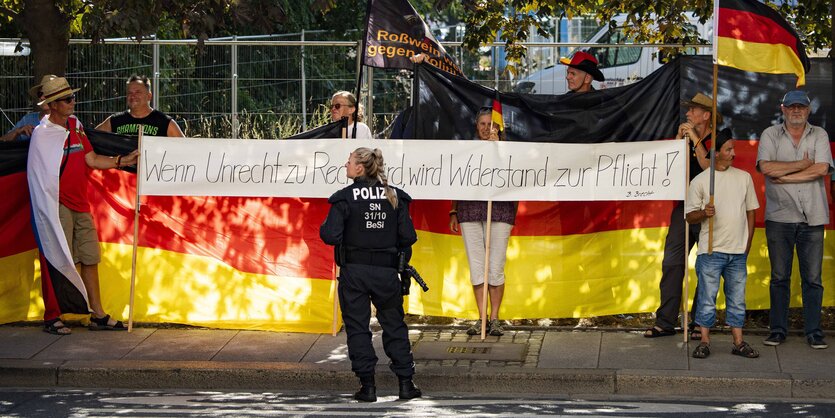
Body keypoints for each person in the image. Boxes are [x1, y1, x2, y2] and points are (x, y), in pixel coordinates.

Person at [27, 77, 139, 335]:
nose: (73, 102)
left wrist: (122, 160)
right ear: (52, 105)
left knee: (89, 258)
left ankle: (97, 315)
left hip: (80, 204)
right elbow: (38, 179)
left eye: (72, 97)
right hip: (56, 207)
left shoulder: (75, 126)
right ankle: (53, 316)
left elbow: (91, 158)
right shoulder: (42, 135)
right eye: (67, 99)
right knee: (56, 257)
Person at [319, 147, 420, 402]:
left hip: (354, 273)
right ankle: (406, 384)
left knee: (358, 329)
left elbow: (330, 235)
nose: (346, 165)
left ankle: (368, 387)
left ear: (360, 168)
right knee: (394, 326)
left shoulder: (345, 198)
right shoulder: (394, 195)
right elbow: (408, 237)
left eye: (349, 161)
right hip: (387, 274)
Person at [757, 90, 834, 349]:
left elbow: (822, 168)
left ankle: (814, 332)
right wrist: (802, 166)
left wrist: (785, 175)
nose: (797, 111)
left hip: (813, 217)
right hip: (780, 217)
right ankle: (778, 330)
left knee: (812, 278)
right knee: (780, 277)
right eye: (792, 107)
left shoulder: (819, 134)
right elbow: (766, 168)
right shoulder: (770, 134)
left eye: (801, 107)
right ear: (783, 109)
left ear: (809, 110)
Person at [645, 93, 718, 339]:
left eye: (693, 111)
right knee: (672, 263)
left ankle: (701, 322)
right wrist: (678, 142)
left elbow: (710, 167)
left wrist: (696, 139)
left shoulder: (718, 137)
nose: (687, 114)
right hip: (684, 208)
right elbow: (670, 171)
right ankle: (665, 321)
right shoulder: (684, 140)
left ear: (706, 115)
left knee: (706, 265)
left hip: (708, 208)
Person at [685, 129, 760, 359]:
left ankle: (738, 341)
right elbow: (689, 217)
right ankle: (704, 341)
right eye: (728, 149)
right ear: (716, 153)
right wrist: (703, 212)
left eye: (733, 148)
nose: (733, 153)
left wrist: (747, 244)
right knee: (707, 300)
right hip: (711, 251)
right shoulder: (700, 181)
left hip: (737, 252)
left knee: (737, 300)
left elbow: (750, 213)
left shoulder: (744, 178)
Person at [450, 108, 516, 336]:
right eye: (483, 124)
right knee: (477, 268)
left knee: (495, 268)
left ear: (499, 127)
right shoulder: (466, 149)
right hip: (469, 212)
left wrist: (497, 149)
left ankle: (495, 318)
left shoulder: (510, 151)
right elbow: (457, 180)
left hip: (500, 213)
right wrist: (453, 210)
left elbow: (515, 177)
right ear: (476, 126)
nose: (487, 128)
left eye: (492, 124)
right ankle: (482, 318)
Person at [96, 74, 184, 137]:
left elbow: (186, 149)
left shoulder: (165, 123)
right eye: (130, 93)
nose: (133, 96)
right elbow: (90, 139)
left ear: (149, 96)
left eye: (138, 92)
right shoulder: (114, 121)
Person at [1, 74, 55, 142]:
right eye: (40, 94)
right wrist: (17, 131)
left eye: (47, 94)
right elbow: (2, 140)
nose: (42, 97)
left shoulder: (68, 121)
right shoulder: (28, 119)